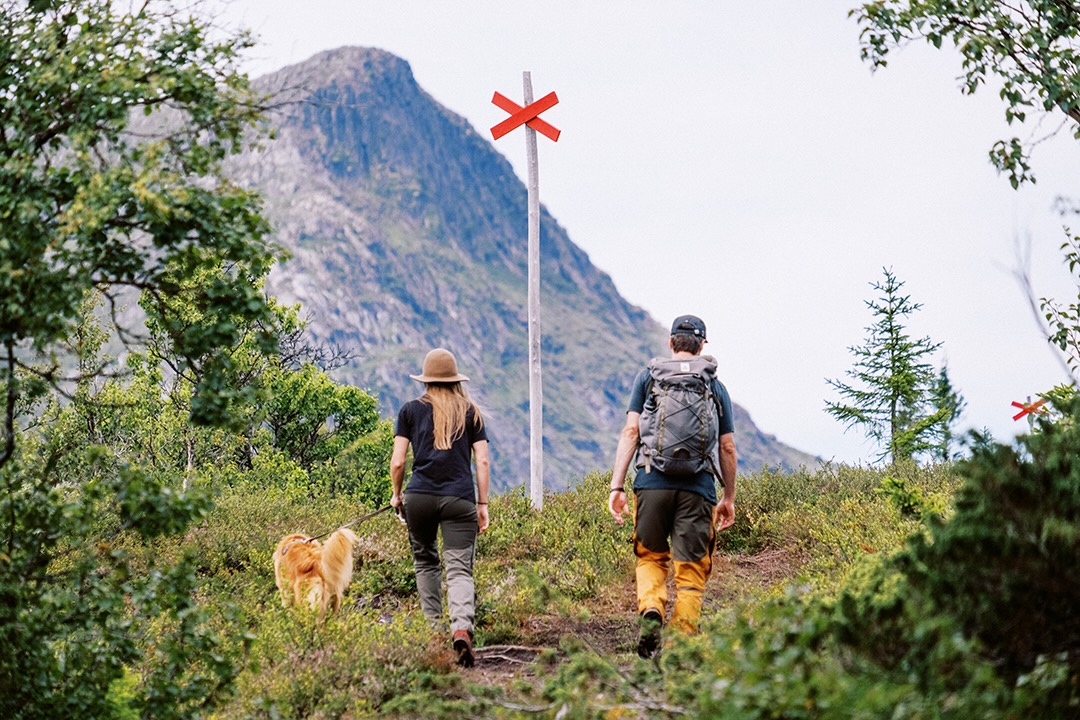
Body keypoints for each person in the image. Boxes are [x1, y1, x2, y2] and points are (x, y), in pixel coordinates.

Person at [608, 314, 737, 659]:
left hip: (651, 483)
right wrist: (728, 497)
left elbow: (631, 432)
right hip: (698, 488)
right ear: (701, 346)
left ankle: (651, 608)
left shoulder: (648, 378)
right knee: (691, 569)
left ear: (670, 342)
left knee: (650, 555)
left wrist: (617, 486)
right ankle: (681, 644)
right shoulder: (714, 385)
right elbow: (727, 447)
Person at [390, 348, 491, 667]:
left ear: (426, 380)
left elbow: (398, 462)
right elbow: (483, 461)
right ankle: (461, 629)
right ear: (455, 379)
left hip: (419, 497)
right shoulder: (471, 412)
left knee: (425, 563)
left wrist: (397, 495)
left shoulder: (409, 411)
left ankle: (433, 634)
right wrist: (483, 503)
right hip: (460, 499)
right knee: (459, 569)